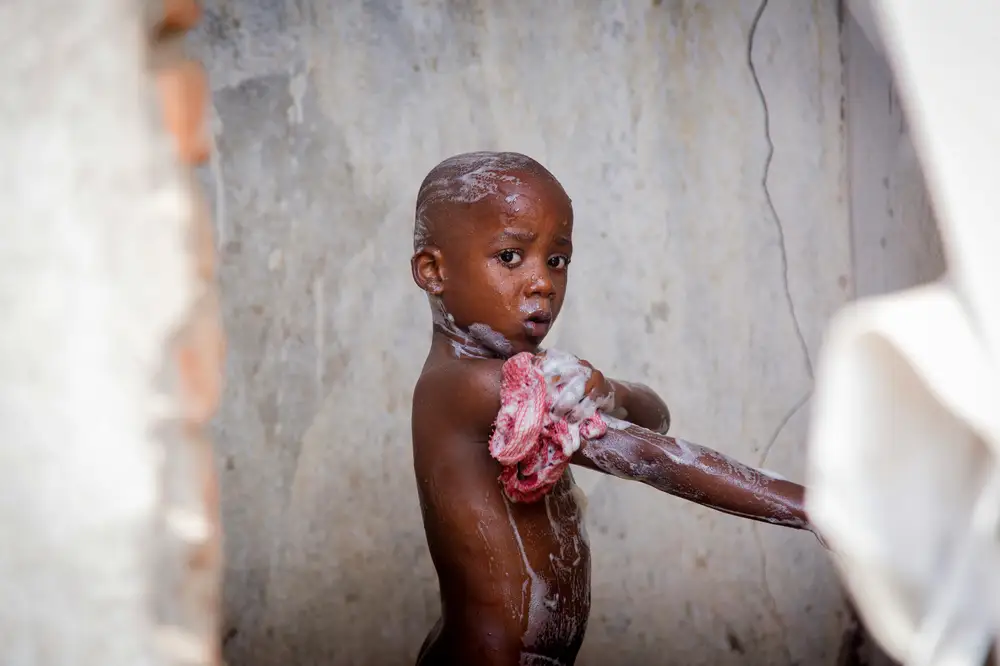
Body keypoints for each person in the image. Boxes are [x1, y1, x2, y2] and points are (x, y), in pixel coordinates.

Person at [410, 151, 817, 666]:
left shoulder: (530, 376)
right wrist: (817, 508)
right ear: (433, 270)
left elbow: (654, 413)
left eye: (557, 260)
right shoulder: (467, 387)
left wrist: (606, 394)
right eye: (510, 257)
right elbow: (654, 456)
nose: (543, 283)